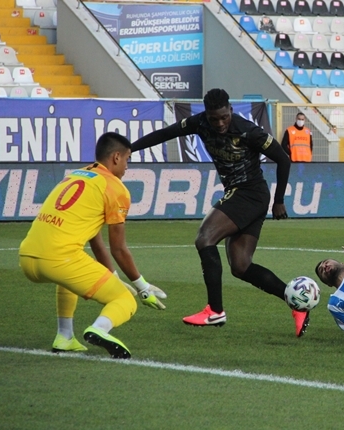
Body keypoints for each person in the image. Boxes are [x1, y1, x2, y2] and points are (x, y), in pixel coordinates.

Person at [131, 89, 311, 337]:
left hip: (250, 193)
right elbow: (165, 133)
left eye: (224, 117)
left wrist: (279, 200)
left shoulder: (247, 130)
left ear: (231, 111)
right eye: (215, 119)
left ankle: (215, 310)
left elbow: (283, 159)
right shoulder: (199, 123)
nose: (220, 123)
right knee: (240, 266)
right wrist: (131, 148)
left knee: (204, 238)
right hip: (242, 194)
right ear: (206, 114)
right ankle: (296, 304)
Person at [19, 132, 167, 359]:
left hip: (27, 257)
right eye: (127, 159)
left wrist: (114, 278)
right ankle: (99, 329)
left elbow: (94, 237)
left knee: (67, 279)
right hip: (59, 259)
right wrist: (142, 287)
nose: (127, 166)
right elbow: (118, 248)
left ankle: (65, 337)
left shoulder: (80, 174)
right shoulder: (116, 188)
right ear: (116, 157)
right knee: (124, 300)